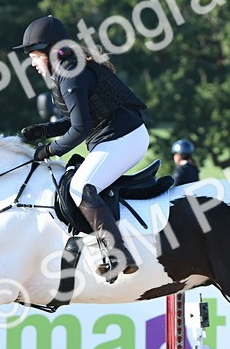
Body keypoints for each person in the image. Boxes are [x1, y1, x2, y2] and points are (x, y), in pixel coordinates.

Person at [15, 15, 148, 282]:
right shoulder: (68, 71)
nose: (31, 62)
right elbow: (78, 121)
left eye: (34, 55)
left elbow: (80, 130)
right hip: (116, 135)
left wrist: (49, 150)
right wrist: (44, 130)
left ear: (50, 52)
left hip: (125, 137)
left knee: (81, 187)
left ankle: (118, 254)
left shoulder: (70, 76)